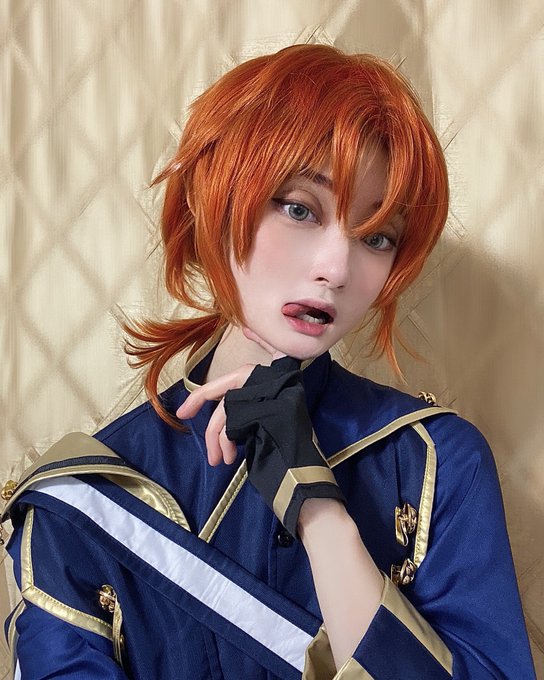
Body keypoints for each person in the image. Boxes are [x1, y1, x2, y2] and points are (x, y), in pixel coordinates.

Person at [1, 44, 536, 679]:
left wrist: (321, 514)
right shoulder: (85, 495)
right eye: (300, 208)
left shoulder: (434, 460)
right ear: (216, 197)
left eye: (377, 236)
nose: (336, 268)